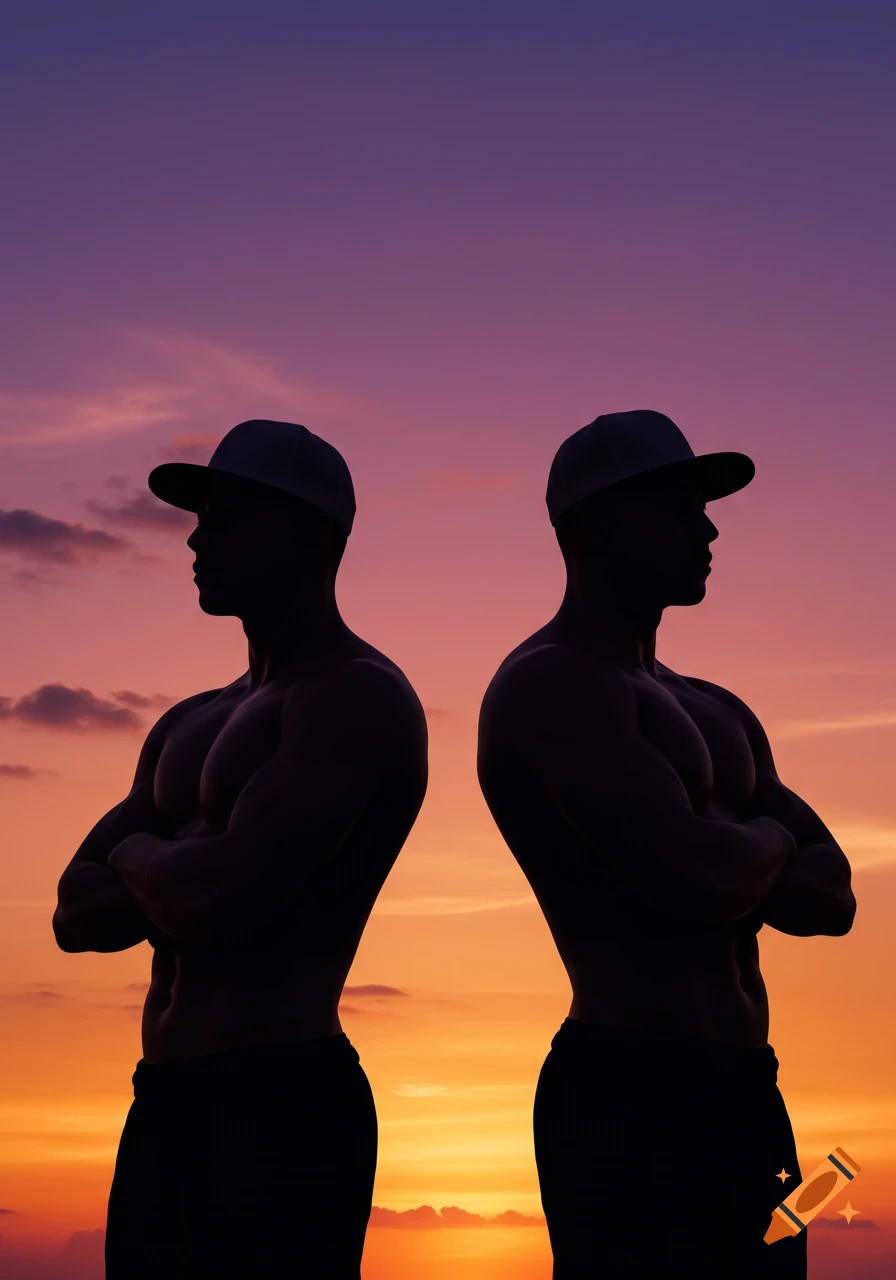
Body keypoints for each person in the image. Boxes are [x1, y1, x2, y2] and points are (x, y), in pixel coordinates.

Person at [476, 410, 855, 1279]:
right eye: (682, 506)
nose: (710, 527)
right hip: (625, 1093)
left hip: (750, 1089)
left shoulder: (715, 708)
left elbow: (833, 898)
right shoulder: (551, 685)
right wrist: (756, 837)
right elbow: (702, 879)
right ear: (602, 523)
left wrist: (726, 845)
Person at [52, 419, 428, 1279]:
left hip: (282, 1101)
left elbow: (216, 898)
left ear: (304, 533)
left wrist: (144, 856)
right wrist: (185, 859)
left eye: (224, 515)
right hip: (162, 1102)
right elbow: (73, 913)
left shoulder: (356, 698)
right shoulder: (191, 720)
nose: (195, 534)